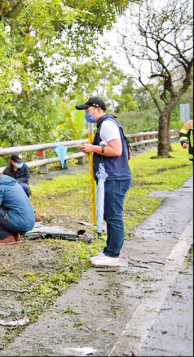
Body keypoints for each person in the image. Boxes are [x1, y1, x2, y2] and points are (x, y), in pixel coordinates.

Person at [76, 96, 132, 268]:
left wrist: (92, 148)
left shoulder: (107, 124)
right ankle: (108, 251)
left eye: (88, 110)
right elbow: (127, 153)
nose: (87, 113)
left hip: (115, 178)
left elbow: (117, 150)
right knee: (109, 215)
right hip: (112, 176)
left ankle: (113, 255)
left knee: (114, 217)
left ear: (97, 109)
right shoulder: (109, 123)